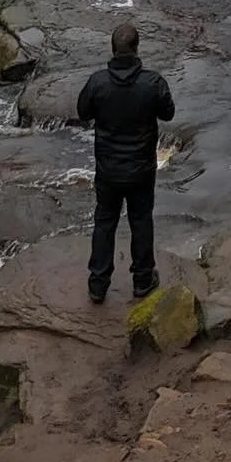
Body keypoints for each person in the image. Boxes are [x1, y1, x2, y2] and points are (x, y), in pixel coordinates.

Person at [76, 21, 174, 304]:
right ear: (136, 48)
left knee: (104, 222)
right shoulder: (152, 82)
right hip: (141, 168)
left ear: (113, 49)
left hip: (108, 169)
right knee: (141, 221)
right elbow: (168, 113)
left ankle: (98, 284)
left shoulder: (97, 82)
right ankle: (143, 280)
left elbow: (83, 112)